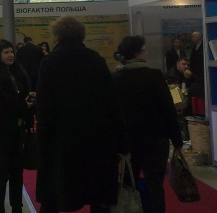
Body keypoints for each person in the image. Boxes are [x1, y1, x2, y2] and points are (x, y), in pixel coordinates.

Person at [36, 16, 128, 213]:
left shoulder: (49, 63)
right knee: (98, 196)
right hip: (97, 138)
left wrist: (42, 140)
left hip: (62, 140)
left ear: (56, 35)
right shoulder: (96, 60)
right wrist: (122, 142)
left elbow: (45, 108)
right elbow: (112, 104)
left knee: (53, 196)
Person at [112, 36, 183, 213]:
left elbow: (112, 114)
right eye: (144, 50)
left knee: (129, 181)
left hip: (128, 141)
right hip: (155, 139)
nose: (146, 53)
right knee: (155, 184)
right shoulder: (154, 76)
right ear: (136, 53)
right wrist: (177, 139)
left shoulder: (115, 78)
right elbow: (167, 109)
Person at [0, 39, 35, 213]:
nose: (10, 55)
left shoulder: (17, 72)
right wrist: (23, 104)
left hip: (16, 127)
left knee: (17, 171)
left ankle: (17, 207)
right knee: (2, 171)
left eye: (11, 51)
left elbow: (19, 97)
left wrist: (28, 98)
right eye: (6, 52)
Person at [189, 31, 205, 99]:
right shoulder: (194, 48)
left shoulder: (204, 47)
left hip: (201, 75)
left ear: (199, 37)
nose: (192, 38)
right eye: (191, 37)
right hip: (194, 74)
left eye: (193, 37)